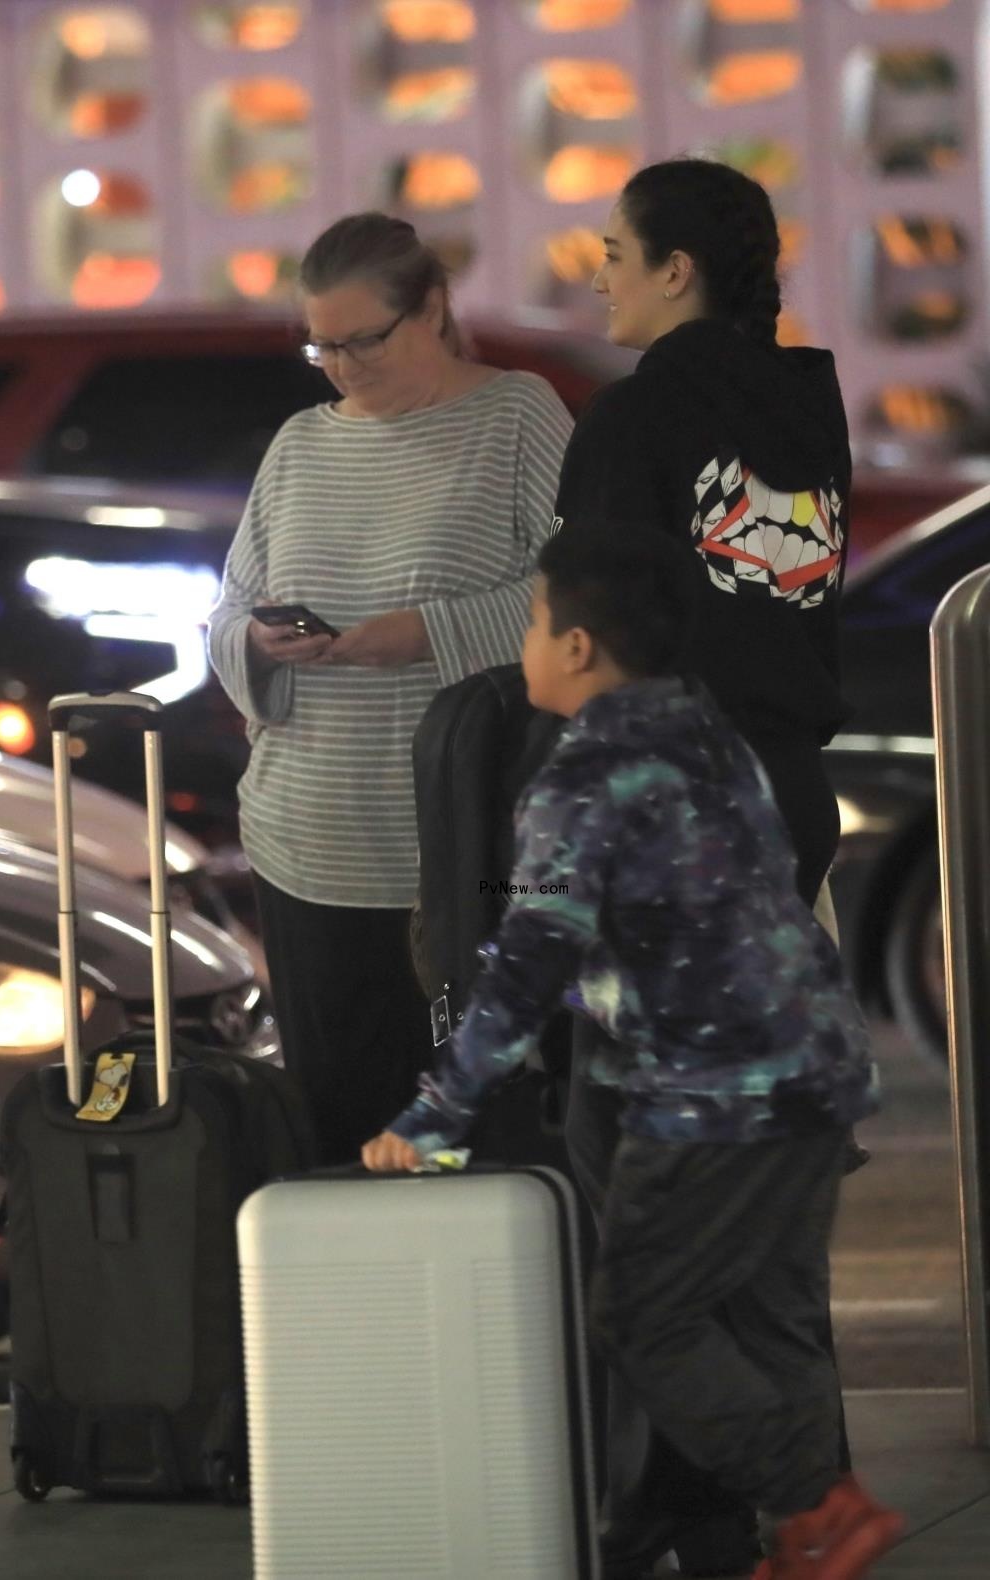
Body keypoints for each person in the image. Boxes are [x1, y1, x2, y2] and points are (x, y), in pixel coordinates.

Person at [362, 523, 902, 1580]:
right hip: (813, 1069)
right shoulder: (704, 730)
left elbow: (527, 964)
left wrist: (429, 1117)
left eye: (530, 621)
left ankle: (817, 1506)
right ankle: (808, 1539)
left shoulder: (583, 778)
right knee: (773, 1312)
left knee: (644, 1314)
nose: (522, 644)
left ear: (576, 647)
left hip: (713, 1094)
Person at [552, 156, 860, 1575]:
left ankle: (709, 1504)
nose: (595, 272)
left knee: (643, 1196)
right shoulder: (806, 410)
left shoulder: (635, 423)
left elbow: (592, 647)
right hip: (785, 801)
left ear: (676, 270)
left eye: (614, 250)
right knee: (757, 1184)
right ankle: (751, 1492)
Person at [206, 212, 573, 1165]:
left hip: (457, 844)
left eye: (362, 340)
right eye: (320, 344)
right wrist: (255, 641)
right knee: (341, 1123)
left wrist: (425, 634)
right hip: (308, 838)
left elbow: (577, 595)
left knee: (472, 1128)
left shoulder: (516, 416)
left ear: (434, 309)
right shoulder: (300, 444)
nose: (339, 366)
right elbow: (227, 607)